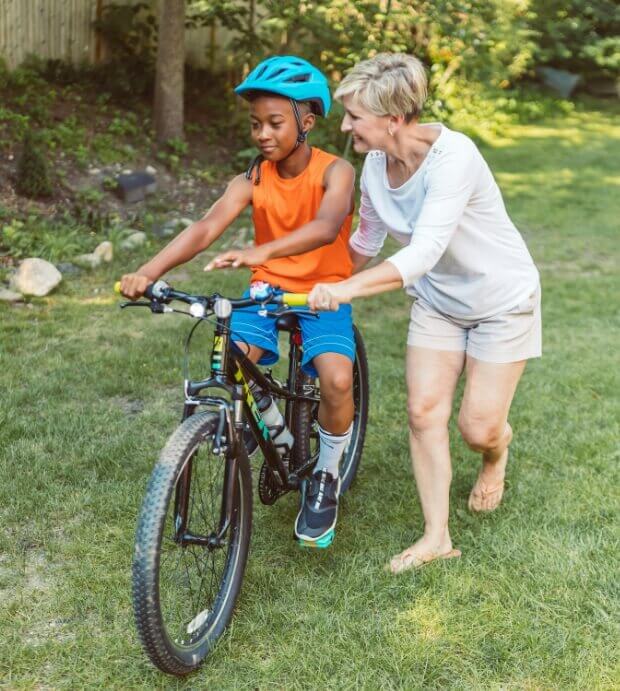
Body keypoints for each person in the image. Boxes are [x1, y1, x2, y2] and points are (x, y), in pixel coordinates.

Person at [308, 53, 542, 573]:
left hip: (501, 300)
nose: (345, 125)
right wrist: (312, 285)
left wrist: (345, 291)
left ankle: (496, 450)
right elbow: (366, 237)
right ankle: (437, 536)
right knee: (422, 413)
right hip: (439, 302)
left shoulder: (453, 157)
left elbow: (422, 253)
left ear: (393, 118)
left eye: (354, 116)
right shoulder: (374, 165)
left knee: (478, 427)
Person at [120, 56, 357, 548]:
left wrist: (262, 249)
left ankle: (327, 475)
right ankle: (257, 424)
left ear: (306, 123)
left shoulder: (337, 171)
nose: (263, 134)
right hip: (267, 291)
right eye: (255, 124)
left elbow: (326, 227)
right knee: (234, 363)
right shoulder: (250, 177)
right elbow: (205, 228)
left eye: (275, 123)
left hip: (324, 290)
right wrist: (148, 272)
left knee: (336, 378)